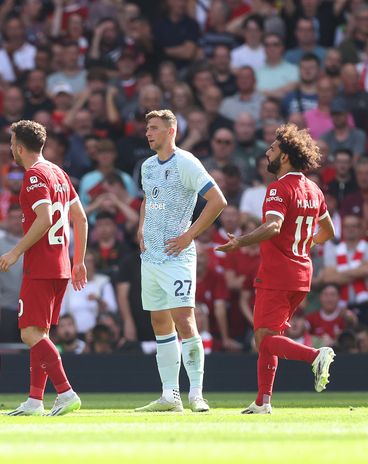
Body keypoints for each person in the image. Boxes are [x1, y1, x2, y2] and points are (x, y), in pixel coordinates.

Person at [217, 123, 337, 414]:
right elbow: (329, 231)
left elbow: (273, 226)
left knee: (266, 339)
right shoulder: (314, 189)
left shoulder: (278, 188)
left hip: (277, 274)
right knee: (267, 337)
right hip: (301, 274)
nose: (266, 155)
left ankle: (314, 355)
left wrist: (240, 242)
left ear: (284, 157)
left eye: (271, 150)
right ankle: (263, 401)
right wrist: (302, 245)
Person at [136, 109, 227, 413]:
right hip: (150, 257)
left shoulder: (186, 163)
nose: (148, 133)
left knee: (184, 320)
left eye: (154, 128)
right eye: (147, 128)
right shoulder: (147, 166)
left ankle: (197, 394)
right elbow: (149, 198)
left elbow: (217, 200)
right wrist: (140, 227)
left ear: (170, 131)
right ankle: (169, 395)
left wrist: (189, 235)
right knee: (159, 322)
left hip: (177, 256)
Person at [0, 120, 87, 417]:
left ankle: (65, 391)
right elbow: (81, 219)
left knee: (29, 334)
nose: (11, 148)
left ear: (19, 147)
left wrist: (15, 251)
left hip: (41, 265)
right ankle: (35, 400)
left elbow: (45, 218)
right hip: (61, 265)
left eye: (12, 144)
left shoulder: (34, 175)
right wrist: (79, 261)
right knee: (40, 333)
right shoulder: (58, 172)